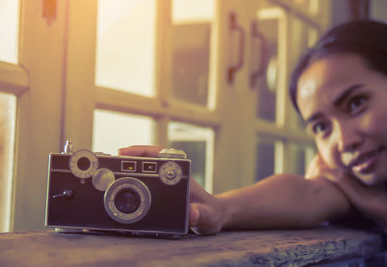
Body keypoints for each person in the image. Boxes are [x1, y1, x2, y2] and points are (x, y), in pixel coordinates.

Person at [119, 19, 387, 235]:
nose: (344, 141)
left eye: (356, 104)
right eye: (321, 127)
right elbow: (309, 193)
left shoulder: (360, 190)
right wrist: (219, 208)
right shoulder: (348, 181)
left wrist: (375, 207)